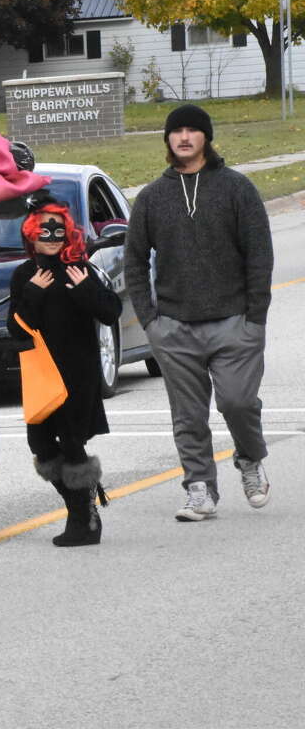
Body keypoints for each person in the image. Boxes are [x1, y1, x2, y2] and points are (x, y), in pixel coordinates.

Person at [124, 104, 274, 521]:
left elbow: (259, 255)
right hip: (174, 327)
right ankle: (199, 488)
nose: (184, 137)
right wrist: (151, 322)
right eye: (177, 131)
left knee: (238, 402)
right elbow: (134, 261)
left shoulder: (236, 188)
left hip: (234, 322)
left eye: (193, 130)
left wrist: (255, 318)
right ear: (168, 140)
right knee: (188, 415)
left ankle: (249, 458)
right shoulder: (152, 197)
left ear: (206, 137)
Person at [8, 196, 122, 546]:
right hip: (42, 374)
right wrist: (32, 294)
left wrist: (86, 290)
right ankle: (82, 502)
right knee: (40, 443)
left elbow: (110, 312)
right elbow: (15, 327)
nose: (53, 236)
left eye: (59, 230)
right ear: (31, 233)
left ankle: (84, 520)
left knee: (72, 442)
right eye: (45, 230)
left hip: (78, 374)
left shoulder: (81, 268)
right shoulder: (25, 275)